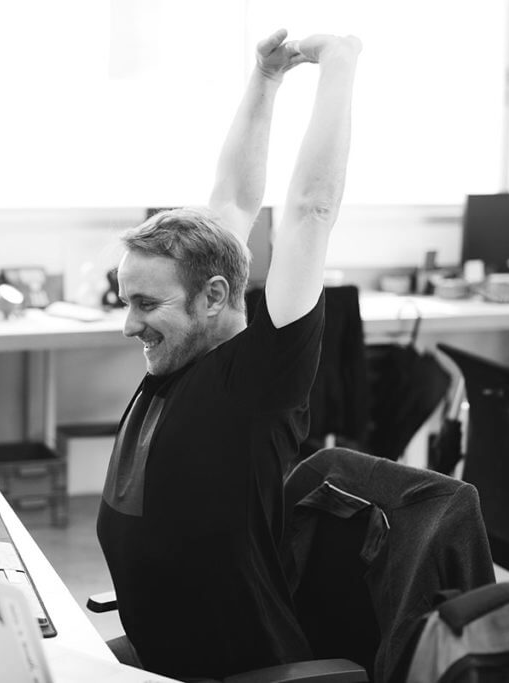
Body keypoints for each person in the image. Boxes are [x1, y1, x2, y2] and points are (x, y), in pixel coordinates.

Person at [95, 28, 362, 680]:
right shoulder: (179, 360)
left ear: (213, 296)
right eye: (125, 300)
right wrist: (265, 79)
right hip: (162, 656)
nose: (129, 325)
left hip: (238, 670)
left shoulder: (256, 378)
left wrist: (338, 61)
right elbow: (234, 199)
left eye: (146, 305)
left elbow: (310, 210)